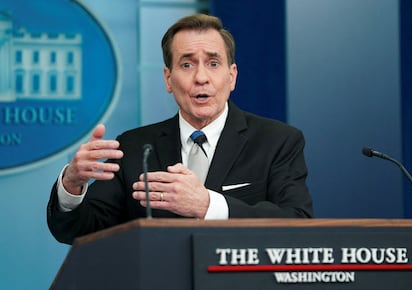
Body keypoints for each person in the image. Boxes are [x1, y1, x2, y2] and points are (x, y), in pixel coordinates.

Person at [47, 13, 313, 245]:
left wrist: (208, 205)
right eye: (187, 64)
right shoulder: (135, 147)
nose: (200, 77)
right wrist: (72, 183)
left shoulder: (277, 141)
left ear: (231, 77)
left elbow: (297, 222)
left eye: (213, 63)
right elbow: (77, 231)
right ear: (168, 79)